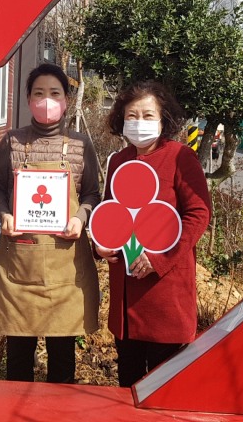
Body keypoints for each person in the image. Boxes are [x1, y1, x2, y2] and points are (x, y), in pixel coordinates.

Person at [94, 80, 211, 387]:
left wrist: (159, 259)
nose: (139, 123)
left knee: (164, 390)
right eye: (132, 116)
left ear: (164, 120)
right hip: (126, 293)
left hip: (165, 293)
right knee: (128, 385)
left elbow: (199, 213)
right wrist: (101, 245)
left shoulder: (180, 157)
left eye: (148, 116)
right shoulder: (119, 160)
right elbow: (111, 214)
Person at [0, 63, 100, 384]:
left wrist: (81, 218)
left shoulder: (79, 144)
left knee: (62, 356)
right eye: (39, 93)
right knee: (19, 357)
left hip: (66, 265)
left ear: (66, 99)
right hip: (19, 265)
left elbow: (92, 192)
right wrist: (4, 214)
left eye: (54, 93)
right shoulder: (12, 142)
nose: (47, 100)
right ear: (28, 99)